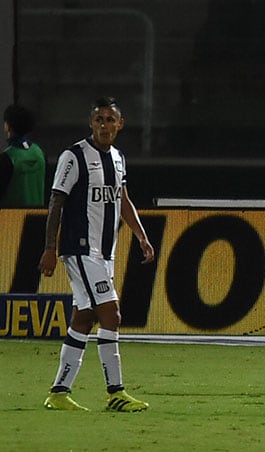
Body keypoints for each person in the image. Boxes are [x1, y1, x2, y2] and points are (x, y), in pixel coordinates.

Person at [38, 97, 155, 412]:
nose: (104, 125)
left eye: (110, 120)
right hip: (80, 249)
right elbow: (56, 203)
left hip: (104, 253)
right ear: (91, 123)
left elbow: (123, 199)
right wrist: (50, 248)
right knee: (111, 314)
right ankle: (115, 392)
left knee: (84, 317)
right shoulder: (74, 157)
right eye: (99, 119)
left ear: (120, 124)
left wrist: (141, 236)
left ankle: (59, 392)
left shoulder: (117, 158)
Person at [0, 104, 46, 207]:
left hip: (11, 220)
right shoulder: (39, 153)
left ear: (7, 126)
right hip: (39, 219)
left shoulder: (7, 158)